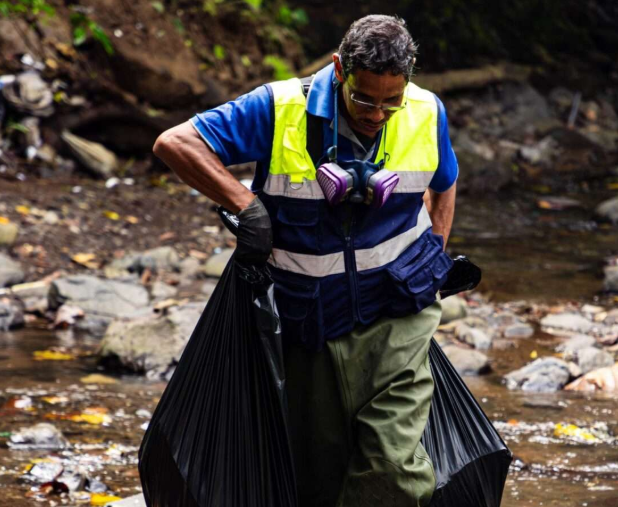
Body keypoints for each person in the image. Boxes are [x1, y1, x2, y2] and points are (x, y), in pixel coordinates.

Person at [153, 14, 458, 507]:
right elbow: (176, 142)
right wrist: (245, 206)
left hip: (399, 317)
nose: (377, 114)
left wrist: (434, 263)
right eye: (364, 98)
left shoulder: (426, 110)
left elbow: (444, 183)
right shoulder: (277, 108)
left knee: (393, 467)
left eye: (390, 102)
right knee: (317, 475)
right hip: (307, 323)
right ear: (339, 69)